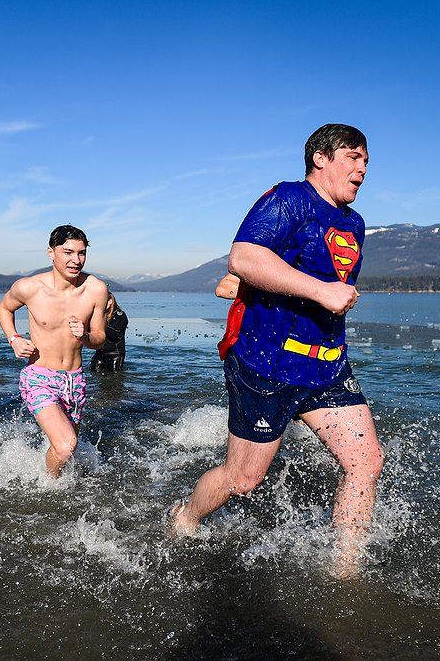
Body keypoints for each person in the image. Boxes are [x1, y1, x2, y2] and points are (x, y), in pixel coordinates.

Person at [170, 124, 385, 578]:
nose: (363, 169)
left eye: (366, 161)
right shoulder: (289, 198)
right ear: (320, 158)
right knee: (243, 479)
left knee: (366, 462)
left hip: (327, 365)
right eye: (353, 157)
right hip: (269, 361)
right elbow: (244, 257)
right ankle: (185, 518)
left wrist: (326, 294)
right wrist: (321, 291)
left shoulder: (354, 223)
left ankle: (345, 571)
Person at [0, 225, 108, 478]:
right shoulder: (29, 287)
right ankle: (48, 487)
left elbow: (100, 339)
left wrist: (86, 336)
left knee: (68, 449)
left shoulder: (95, 289)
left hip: (75, 380)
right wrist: (14, 339)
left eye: (81, 253)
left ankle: (53, 481)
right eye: (68, 252)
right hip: (39, 377)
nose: (76, 260)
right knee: (66, 445)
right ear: (51, 252)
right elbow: (4, 308)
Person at [89, 292, 129, 371]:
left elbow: (116, 334)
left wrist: (100, 324)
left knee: (114, 377)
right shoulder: (98, 315)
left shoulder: (119, 315)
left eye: (103, 301)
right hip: (100, 353)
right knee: (93, 372)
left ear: (110, 301)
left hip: (115, 355)